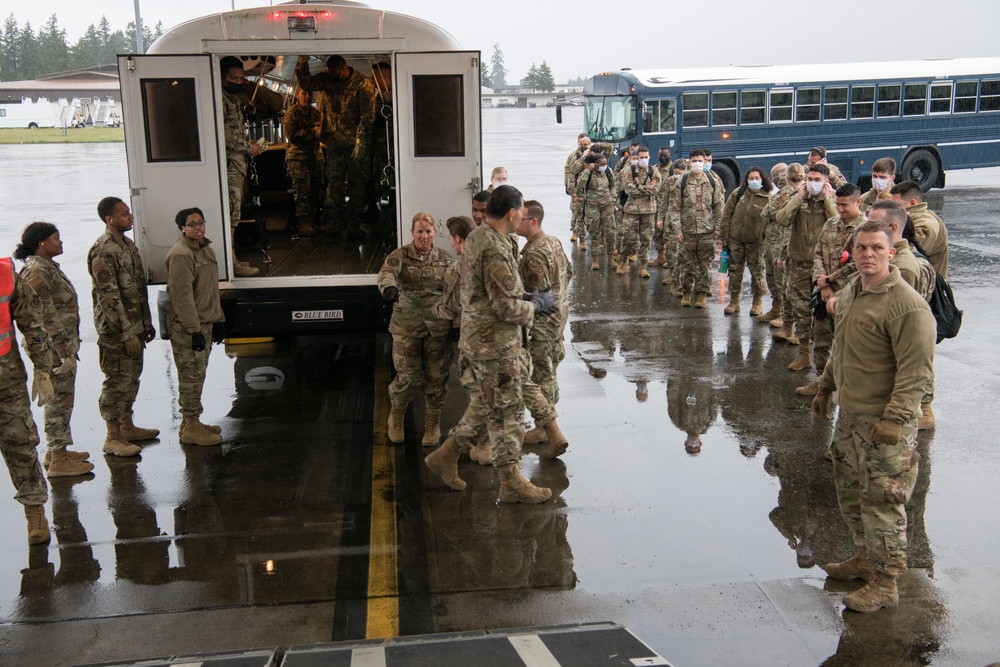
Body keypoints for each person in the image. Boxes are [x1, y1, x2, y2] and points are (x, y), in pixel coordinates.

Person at [812, 219, 935, 613]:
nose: (868, 255)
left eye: (876, 249)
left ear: (891, 250)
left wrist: (896, 420)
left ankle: (886, 583)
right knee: (851, 494)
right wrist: (827, 386)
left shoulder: (907, 305)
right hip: (851, 417)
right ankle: (865, 556)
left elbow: (917, 372)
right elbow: (842, 347)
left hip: (884, 425)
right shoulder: (852, 291)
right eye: (862, 248)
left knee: (883, 503)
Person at [424, 186, 560, 504]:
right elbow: (506, 308)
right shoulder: (496, 249)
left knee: (487, 408)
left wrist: (524, 297)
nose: (523, 218)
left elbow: (490, 294)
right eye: (521, 212)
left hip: (479, 342)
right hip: (495, 346)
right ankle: (511, 482)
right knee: (509, 414)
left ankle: (447, 456)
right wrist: (537, 305)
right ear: (511, 213)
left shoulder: (479, 237)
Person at [14, 223, 93, 477]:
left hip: (59, 345)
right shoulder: (37, 271)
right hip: (53, 348)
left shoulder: (46, 267)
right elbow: (46, 316)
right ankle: (59, 459)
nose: (61, 242)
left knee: (62, 397)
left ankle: (55, 451)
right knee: (58, 400)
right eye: (55, 238)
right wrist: (64, 352)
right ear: (41, 244)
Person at [88, 197, 159, 458]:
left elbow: (138, 289)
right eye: (124, 213)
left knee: (131, 377)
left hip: (135, 325)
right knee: (117, 381)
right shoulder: (104, 250)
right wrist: (127, 333)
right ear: (110, 219)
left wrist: (146, 323)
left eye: (128, 212)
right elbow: (110, 297)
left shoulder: (127, 246)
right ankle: (112, 436)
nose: (130, 216)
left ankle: (127, 427)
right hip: (117, 331)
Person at [377, 212, 454, 447]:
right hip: (407, 327)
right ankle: (396, 417)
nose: (423, 236)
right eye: (419, 232)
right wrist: (389, 288)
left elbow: (455, 291)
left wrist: (458, 324)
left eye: (428, 232)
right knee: (408, 377)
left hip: (437, 329)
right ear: (412, 232)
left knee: (436, 379)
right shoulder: (399, 256)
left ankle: (432, 424)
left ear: (434, 233)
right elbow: (386, 273)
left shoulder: (445, 258)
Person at [0, 254, 55, 544]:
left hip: (5, 380)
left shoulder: (5, 273)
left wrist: (43, 368)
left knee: (19, 442)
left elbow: (32, 322)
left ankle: (35, 511)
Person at [164, 207, 228, 447]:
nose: (198, 227)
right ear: (182, 228)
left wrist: (219, 319)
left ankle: (190, 422)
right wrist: (194, 330)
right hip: (190, 327)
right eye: (192, 224)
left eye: (201, 222)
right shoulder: (181, 254)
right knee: (191, 376)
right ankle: (191, 427)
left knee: (197, 375)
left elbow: (210, 290)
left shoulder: (205, 249)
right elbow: (181, 297)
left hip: (205, 322)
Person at [295, 54, 376, 240]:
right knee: (334, 182)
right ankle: (333, 224)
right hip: (333, 141)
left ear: (344, 68)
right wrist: (302, 63)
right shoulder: (327, 79)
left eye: (335, 73)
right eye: (329, 72)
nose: (332, 76)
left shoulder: (363, 85)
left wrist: (360, 142)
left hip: (354, 143)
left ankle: (354, 224)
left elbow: (368, 117)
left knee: (356, 183)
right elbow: (307, 84)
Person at [796, 184, 867, 396]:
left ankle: (848, 385)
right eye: (838, 204)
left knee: (846, 342)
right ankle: (823, 382)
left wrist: (830, 280)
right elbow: (817, 252)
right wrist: (822, 282)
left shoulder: (865, 229)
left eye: (845, 205)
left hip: (848, 293)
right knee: (821, 339)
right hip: (823, 292)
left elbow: (858, 263)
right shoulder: (831, 223)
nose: (841, 209)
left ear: (858, 202)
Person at [517, 200, 573, 451]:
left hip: (543, 321)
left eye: (521, 218)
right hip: (559, 316)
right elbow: (568, 273)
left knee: (541, 372)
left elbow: (540, 295)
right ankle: (547, 423)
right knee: (549, 368)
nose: (516, 221)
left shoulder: (534, 252)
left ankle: (544, 428)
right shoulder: (554, 241)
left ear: (533, 221)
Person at [220, 56, 281, 277]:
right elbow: (223, 133)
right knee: (230, 216)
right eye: (233, 77)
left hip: (236, 165)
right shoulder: (218, 100)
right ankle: (230, 263)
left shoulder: (233, 99)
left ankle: (232, 259)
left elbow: (276, 103)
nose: (237, 81)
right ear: (220, 77)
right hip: (227, 165)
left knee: (234, 214)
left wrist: (249, 84)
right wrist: (249, 146)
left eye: (241, 77)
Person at [776, 163, 838, 371]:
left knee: (824, 317)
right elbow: (781, 219)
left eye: (817, 180)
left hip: (825, 269)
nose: (812, 184)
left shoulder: (833, 201)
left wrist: (828, 199)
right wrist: (798, 197)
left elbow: (837, 223)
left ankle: (827, 364)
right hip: (800, 264)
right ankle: (804, 355)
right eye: (809, 179)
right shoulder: (799, 199)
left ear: (826, 182)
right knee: (801, 311)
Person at [668, 148, 724, 308]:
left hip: (707, 231)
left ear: (705, 162)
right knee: (687, 265)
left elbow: (719, 207)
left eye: (701, 161)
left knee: (705, 266)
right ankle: (686, 293)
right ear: (689, 162)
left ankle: (702, 294)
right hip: (687, 232)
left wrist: (718, 229)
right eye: (695, 161)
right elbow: (674, 209)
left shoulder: (713, 181)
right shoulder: (682, 182)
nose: (698, 164)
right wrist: (677, 231)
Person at [719, 167, 772, 315]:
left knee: (757, 273)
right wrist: (724, 236)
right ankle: (734, 301)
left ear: (762, 179)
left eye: (757, 178)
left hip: (756, 242)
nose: (754, 181)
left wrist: (765, 237)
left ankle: (757, 303)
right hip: (736, 239)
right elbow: (726, 215)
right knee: (735, 270)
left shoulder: (768, 197)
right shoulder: (738, 194)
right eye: (751, 178)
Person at [283, 88, 324, 237]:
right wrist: (312, 131)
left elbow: (321, 132)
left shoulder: (315, 113)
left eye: (309, 93)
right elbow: (292, 135)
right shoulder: (292, 113)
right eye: (304, 93)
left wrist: (319, 131)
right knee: (302, 191)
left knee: (315, 190)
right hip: (298, 158)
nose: (307, 97)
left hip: (314, 156)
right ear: (298, 95)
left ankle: (313, 220)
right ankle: (303, 223)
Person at [890, 180, 949, 278]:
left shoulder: (926, 223)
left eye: (897, 205)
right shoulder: (916, 218)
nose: (893, 209)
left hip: (927, 287)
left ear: (912, 203)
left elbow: (912, 249)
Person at [618, 146, 661, 278]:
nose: (643, 160)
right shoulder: (628, 171)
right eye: (641, 157)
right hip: (631, 210)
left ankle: (643, 266)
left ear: (649, 157)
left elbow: (656, 189)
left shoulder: (654, 171)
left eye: (645, 157)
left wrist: (639, 188)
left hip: (648, 211)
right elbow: (628, 190)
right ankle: (624, 260)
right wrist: (646, 188)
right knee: (628, 238)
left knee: (646, 239)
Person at [758, 162, 792, 323]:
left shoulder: (792, 192)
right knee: (771, 278)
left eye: (780, 175)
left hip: (780, 242)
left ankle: (784, 316)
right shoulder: (780, 193)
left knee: (781, 281)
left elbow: (770, 212)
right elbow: (766, 213)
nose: (778, 179)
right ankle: (776, 309)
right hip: (771, 242)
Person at [576, 151, 616, 271]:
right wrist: (588, 170)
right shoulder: (587, 173)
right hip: (592, 206)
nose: (604, 165)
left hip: (607, 205)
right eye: (601, 164)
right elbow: (580, 185)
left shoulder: (608, 172)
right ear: (595, 164)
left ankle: (611, 258)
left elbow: (613, 185)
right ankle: (595, 259)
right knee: (594, 234)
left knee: (610, 233)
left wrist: (613, 198)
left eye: (605, 163)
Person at [369, 61, 395, 219]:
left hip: (387, 150)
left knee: (386, 182)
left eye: (374, 77)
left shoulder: (388, 96)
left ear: (384, 76)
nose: (372, 80)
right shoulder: (382, 94)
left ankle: (388, 216)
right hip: (382, 148)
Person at [657, 159, 688, 290]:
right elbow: (664, 200)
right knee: (670, 249)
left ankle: (683, 278)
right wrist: (660, 218)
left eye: (680, 173)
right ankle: (672, 275)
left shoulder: (690, 182)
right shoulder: (670, 181)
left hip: (685, 220)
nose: (677, 176)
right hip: (670, 219)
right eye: (675, 173)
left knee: (684, 252)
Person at [649, 147, 673, 267]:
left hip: (669, 207)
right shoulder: (654, 169)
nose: (663, 158)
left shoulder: (674, 170)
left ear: (670, 156)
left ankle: (670, 259)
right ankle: (661, 256)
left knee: (668, 233)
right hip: (656, 206)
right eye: (661, 156)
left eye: (665, 156)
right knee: (657, 233)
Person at [566, 134, 591, 242]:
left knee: (588, 213)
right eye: (581, 144)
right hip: (577, 188)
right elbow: (568, 170)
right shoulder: (574, 155)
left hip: (590, 189)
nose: (583, 146)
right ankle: (575, 232)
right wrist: (568, 188)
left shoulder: (594, 155)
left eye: (585, 144)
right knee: (576, 212)